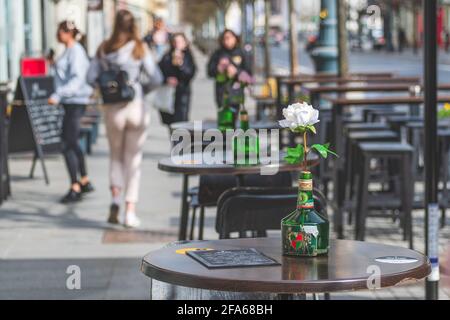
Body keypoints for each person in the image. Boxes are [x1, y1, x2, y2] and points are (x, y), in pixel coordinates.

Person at [87, 10, 161, 228]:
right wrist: (141, 89)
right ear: (134, 26)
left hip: (112, 109)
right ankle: (130, 211)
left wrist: (106, 86)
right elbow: (156, 78)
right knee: (133, 159)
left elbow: (90, 77)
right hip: (135, 106)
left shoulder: (104, 48)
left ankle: (115, 200)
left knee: (115, 157)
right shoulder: (140, 47)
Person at [48, 21, 94, 204]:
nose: (57, 35)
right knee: (73, 142)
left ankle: (75, 186)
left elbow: (77, 79)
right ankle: (84, 179)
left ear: (68, 33)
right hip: (71, 102)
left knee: (67, 143)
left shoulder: (76, 52)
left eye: (59, 31)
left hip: (74, 102)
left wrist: (58, 94)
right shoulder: (68, 51)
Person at [207, 29, 252, 110]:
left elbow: (249, 74)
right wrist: (218, 69)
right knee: (224, 118)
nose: (227, 41)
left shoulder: (241, 53)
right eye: (224, 38)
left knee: (233, 117)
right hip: (221, 91)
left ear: (235, 38)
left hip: (236, 91)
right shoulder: (217, 53)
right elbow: (209, 71)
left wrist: (236, 72)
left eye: (229, 38)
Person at [158, 33, 197, 127]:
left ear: (185, 43)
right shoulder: (167, 56)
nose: (177, 44)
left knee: (181, 122)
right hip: (167, 94)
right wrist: (166, 79)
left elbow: (190, 74)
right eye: (175, 42)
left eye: (180, 41)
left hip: (182, 93)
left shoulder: (187, 57)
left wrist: (181, 65)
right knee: (169, 123)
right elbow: (158, 73)